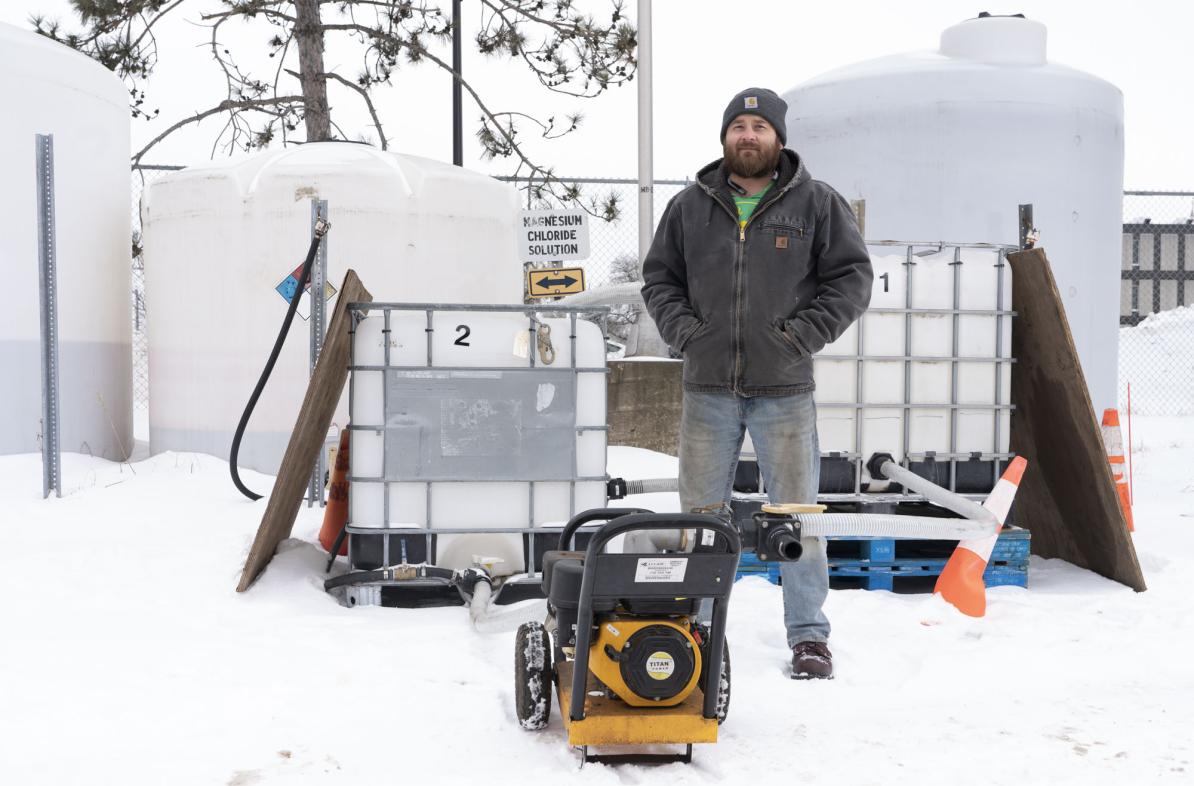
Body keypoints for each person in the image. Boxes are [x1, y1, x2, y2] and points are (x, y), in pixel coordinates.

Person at [641, 87, 873, 679]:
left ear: (779, 138)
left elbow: (850, 279)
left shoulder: (817, 204)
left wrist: (800, 335)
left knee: (797, 518)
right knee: (698, 514)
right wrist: (685, 332)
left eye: (759, 126)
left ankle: (809, 636)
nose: (748, 135)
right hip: (708, 387)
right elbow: (659, 280)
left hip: (785, 388)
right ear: (725, 137)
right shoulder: (690, 207)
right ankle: (691, 625)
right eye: (739, 125)